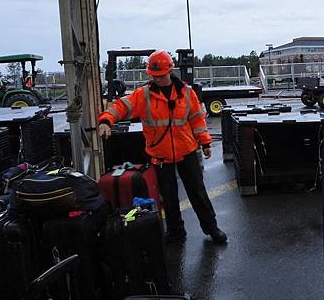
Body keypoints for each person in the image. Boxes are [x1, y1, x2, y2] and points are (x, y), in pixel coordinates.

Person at [97, 50, 227, 244]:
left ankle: (211, 228)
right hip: (159, 155)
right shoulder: (143, 95)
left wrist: (205, 142)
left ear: (169, 71)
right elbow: (121, 107)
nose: (156, 79)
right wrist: (106, 120)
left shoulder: (186, 93)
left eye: (160, 75)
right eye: (153, 76)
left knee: (198, 192)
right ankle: (175, 232)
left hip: (187, 151)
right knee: (168, 196)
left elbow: (197, 120)